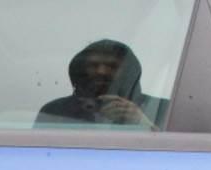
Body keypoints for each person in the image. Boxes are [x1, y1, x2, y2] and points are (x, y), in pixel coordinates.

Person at [35, 39, 164, 130]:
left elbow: (170, 153)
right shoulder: (55, 110)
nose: (101, 71)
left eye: (112, 66)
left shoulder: (162, 109)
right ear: (82, 69)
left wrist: (142, 122)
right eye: (93, 65)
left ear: (128, 72)